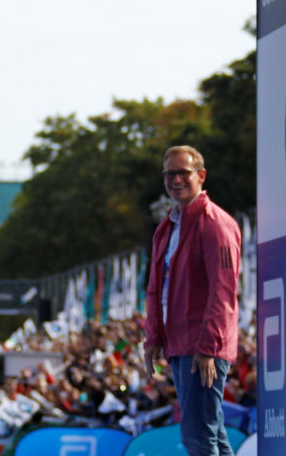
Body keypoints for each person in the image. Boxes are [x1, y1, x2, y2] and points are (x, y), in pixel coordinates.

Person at [143, 145, 240, 456]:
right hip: (179, 344)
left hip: (202, 347)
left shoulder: (216, 223)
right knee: (209, 434)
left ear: (201, 175)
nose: (176, 180)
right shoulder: (167, 227)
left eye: (183, 172)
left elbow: (223, 290)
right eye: (169, 174)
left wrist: (208, 347)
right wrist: (154, 336)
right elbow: (156, 287)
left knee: (199, 435)